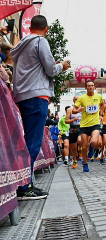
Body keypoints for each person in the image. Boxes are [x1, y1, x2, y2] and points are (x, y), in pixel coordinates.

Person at [11, 15, 71, 200]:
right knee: (33, 142)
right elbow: (51, 69)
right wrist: (63, 65)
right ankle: (24, 186)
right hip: (37, 96)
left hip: (22, 95)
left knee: (26, 140)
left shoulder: (20, 46)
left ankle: (23, 183)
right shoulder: (40, 42)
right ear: (46, 29)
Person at [73, 80, 105, 172]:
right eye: (89, 86)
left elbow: (103, 104)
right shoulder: (82, 98)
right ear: (86, 88)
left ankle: (91, 149)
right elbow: (73, 110)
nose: (91, 87)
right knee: (84, 146)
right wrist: (78, 110)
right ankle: (85, 164)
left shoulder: (99, 96)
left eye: (92, 85)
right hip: (84, 125)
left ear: (94, 87)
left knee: (94, 142)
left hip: (95, 123)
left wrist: (100, 114)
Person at [66, 96, 82, 169]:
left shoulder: (83, 109)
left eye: (78, 99)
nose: (77, 100)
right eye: (75, 99)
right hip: (72, 130)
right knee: (73, 148)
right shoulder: (70, 110)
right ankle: (75, 160)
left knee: (80, 140)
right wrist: (73, 120)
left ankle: (82, 153)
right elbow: (66, 121)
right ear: (73, 101)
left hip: (81, 129)